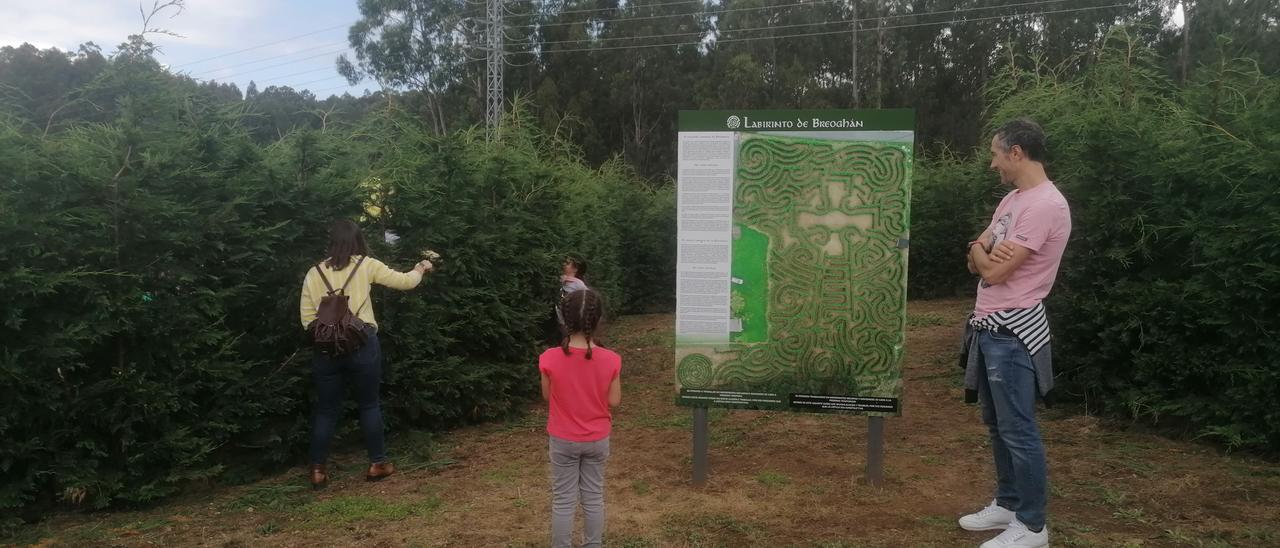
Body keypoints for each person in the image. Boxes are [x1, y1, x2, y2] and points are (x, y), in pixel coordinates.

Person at [959, 118, 1071, 548]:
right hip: (989, 327)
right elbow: (977, 257)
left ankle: (1033, 525)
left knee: (1019, 429)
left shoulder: (1046, 205)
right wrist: (979, 248)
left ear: (1016, 153)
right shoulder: (1012, 200)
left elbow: (998, 270)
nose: (993, 164)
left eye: (995, 153)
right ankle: (1007, 503)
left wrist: (984, 254)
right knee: (996, 424)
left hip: (1013, 331)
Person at [299, 219, 433, 489]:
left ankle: (317, 470)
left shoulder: (314, 273)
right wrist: (421, 267)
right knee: (369, 404)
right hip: (363, 344)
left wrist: (329, 334)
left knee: (326, 410)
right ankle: (377, 463)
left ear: (331, 241)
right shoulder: (366, 265)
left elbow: (306, 319)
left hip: (326, 349)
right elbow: (405, 282)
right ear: (358, 240)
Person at [539, 288, 621, 548]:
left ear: (564, 318)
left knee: (563, 500)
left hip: (563, 439)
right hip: (597, 439)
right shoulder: (611, 359)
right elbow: (614, 401)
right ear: (598, 319)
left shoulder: (549, 358)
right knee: (593, 497)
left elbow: (546, 396)